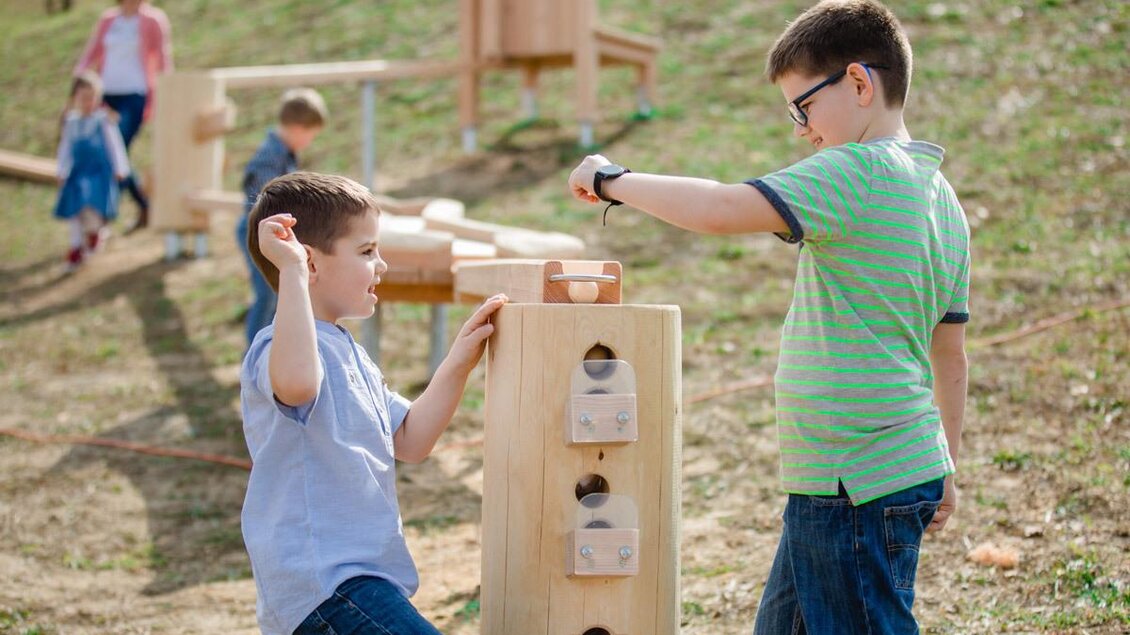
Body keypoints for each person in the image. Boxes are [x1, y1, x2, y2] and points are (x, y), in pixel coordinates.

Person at [567, 1, 970, 632]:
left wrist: (613, 178)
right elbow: (950, 353)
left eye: (803, 107)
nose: (800, 129)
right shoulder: (942, 198)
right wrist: (945, 457)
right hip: (881, 465)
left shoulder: (856, 171)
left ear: (859, 84)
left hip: (853, 475)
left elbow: (724, 208)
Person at [240, 171, 507, 635]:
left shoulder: (350, 353)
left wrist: (458, 363)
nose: (380, 264)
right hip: (327, 588)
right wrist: (291, 273)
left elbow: (410, 439)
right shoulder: (278, 347)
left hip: (364, 583)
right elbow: (298, 384)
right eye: (366, 251)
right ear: (309, 262)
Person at [237, 88, 327, 348]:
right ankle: (255, 356)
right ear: (298, 128)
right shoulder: (269, 159)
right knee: (266, 295)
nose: (309, 141)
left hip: (271, 235)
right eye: (310, 135)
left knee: (277, 295)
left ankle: (276, 350)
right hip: (258, 235)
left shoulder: (284, 153)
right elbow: (266, 206)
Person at [73, 0, 173, 233]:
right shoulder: (109, 19)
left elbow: (162, 58)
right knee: (114, 154)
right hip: (105, 96)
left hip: (134, 95)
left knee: (115, 149)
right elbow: (93, 52)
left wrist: (166, 93)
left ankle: (106, 214)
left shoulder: (153, 20)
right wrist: (79, 78)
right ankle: (142, 206)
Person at [54, 72, 130, 272]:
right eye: (83, 97)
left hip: (98, 174)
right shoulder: (71, 122)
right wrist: (61, 170)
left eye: (92, 97)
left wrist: (120, 168)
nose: (88, 102)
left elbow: (115, 146)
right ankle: (76, 246)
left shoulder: (103, 121)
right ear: (75, 98)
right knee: (75, 209)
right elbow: (65, 148)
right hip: (78, 173)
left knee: (93, 208)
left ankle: (94, 234)